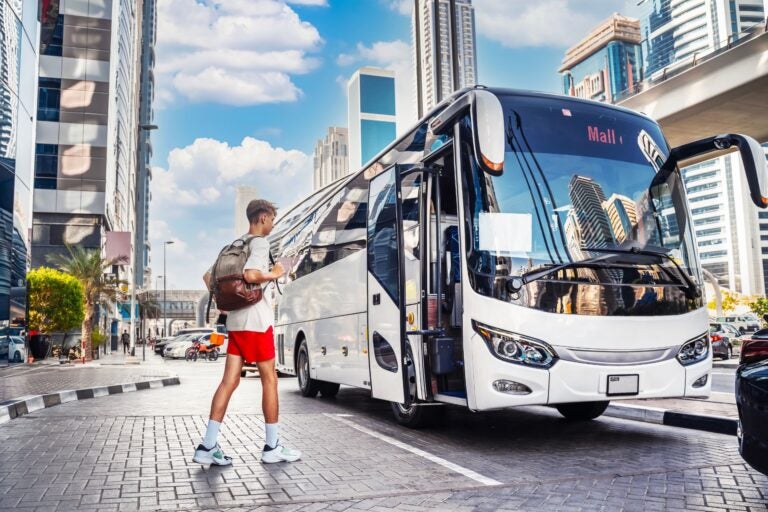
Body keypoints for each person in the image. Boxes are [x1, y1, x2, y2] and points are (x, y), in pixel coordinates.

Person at [193, 199, 301, 466]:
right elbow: (252, 275)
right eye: (272, 219)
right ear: (263, 217)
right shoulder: (260, 244)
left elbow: (208, 277)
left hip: (237, 323)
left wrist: (230, 302)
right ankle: (272, 447)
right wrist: (275, 273)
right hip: (257, 323)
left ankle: (207, 445)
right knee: (270, 380)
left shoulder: (235, 245)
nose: (272, 224)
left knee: (229, 382)